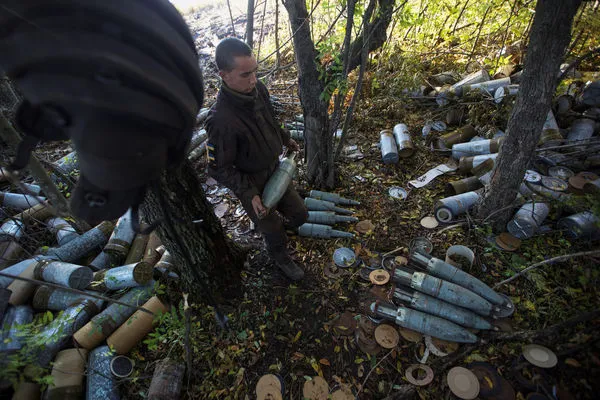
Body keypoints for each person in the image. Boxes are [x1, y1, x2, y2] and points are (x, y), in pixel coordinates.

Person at [206, 38, 307, 281]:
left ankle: (283, 231)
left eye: (255, 72)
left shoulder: (257, 89)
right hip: (250, 183)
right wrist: (250, 193)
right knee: (272, 229)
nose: (253, 80)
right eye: (245, 75)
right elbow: (217, 168)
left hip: (275, 169)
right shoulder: (220, 120)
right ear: (224, 75)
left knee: (301, 215)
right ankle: (280, 256)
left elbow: (270, 119)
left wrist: (284, 139)